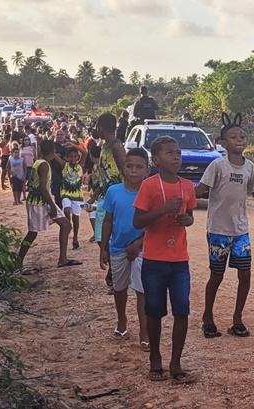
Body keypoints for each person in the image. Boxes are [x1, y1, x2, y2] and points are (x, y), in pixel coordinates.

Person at [195, 113, 254, 339]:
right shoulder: (217, 166)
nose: (239, 139)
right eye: (233, 137)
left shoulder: (249, 167)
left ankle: (237, 319)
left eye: (242, 136)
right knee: (217, 275)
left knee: (245, 275)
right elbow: (199, 191)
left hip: (241, 230)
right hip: (218, 231)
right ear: (223, 143)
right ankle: (207, 317)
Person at [133, 136, 197, 384]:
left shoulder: (187, 186)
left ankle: (176, 362)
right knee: (155, 311)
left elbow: (190, 215)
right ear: (156, 159)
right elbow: (138, 221)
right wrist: (164, 210)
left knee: (182, 310)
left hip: (180, 260)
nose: (176, 157)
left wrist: (187, 220)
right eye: (170, 153)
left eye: (178, 153)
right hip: (154, 260)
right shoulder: (149, 186)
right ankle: (156, 359)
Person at [101, 148, 150, 350]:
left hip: (143, 249)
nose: (133, 171)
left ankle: (144, 331)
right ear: (123, 169)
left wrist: (137, 243)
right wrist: (103, 247)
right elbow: (108, 220)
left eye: (139, 167)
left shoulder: (151, 193)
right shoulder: (114, 191)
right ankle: (122, 321)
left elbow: (154, 224)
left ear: (147, 170)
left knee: (142, 291)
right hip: (118, 247)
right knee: (119, 288)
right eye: (129, 166)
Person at [18, 140, 81, 268]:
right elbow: (43, 188)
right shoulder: (44, 165)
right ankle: (18, 262)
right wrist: (52, 205)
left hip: (42, 202)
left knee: (66, 224)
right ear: (53, 153)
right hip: (39, 203)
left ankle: (63, 258)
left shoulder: (40, 163)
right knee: (32, 233)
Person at [86, 113, 126, 289]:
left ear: (101, 127)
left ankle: (115, 274)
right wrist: (94, 196)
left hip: (116, 198)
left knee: (110, 237)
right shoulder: (105, 147)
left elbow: (125, 172)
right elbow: (104, 177)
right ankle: (114, 271)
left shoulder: (116, 147)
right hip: (105, 197)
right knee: (102, 237)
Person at [55, 146, 87, 250]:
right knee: (67, 210)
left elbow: (85, 153)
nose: (73, 159)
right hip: (66, 193)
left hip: (77, 196)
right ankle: (68, 225)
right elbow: (54, 155)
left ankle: (75, 238)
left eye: (75, 157)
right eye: (71, 157)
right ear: (67, 158)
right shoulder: (65, 165)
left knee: (76, 219)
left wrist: (73, 145)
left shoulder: (80, 165)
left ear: (78, 157)